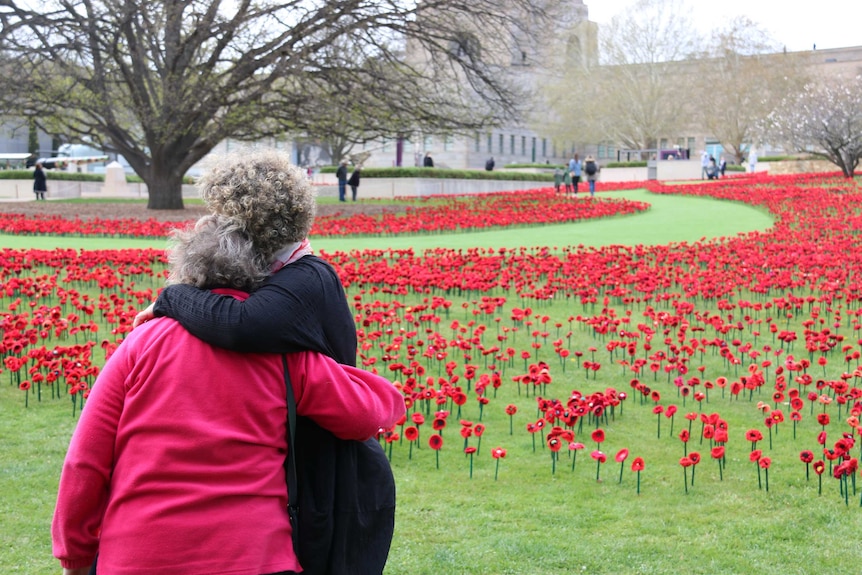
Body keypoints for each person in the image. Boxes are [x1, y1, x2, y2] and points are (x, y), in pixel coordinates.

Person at [52, 213, 406, 575]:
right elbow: (371, 414)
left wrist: (76, 556)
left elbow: (86, 461)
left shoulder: (142, 342)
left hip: (139, 556)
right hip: (254, 557)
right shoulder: (285, 353)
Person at [132, 150, 399, 573]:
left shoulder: (307, 278)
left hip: (326, 470)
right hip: (303, 450)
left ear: (245, 221)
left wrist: (172, 296)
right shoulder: (294, 273)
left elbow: (241, 324)